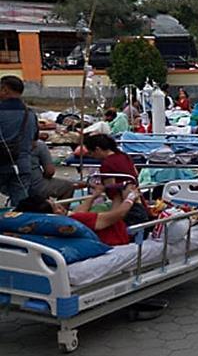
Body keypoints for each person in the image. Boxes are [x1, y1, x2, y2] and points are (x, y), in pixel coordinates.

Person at [16, 183, 140, 247]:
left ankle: (118, 196)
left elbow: (78, 212)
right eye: (56, 207)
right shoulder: (72, 221)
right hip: (125, 231)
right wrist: (131, 197)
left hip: (113, 224)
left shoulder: (43, 224)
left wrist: (94, 196)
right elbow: (119, 214)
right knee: (138, 211)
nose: (60, 207)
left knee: (116, 199)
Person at [84, 134, 149, 226]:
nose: (92, 156)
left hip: (123, 204)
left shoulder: (107, 164)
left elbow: (112, 190)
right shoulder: (124, 156)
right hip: (137, 198)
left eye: (91, 153)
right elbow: (135, 174)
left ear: (97, 149)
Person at [0, 75, 37, 207]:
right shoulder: (30, 114)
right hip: (22, 166)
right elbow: (33, 143)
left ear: (5, 90)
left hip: (1, 163)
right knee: (21, 207)